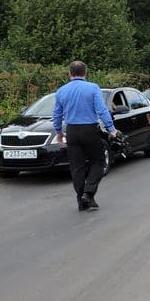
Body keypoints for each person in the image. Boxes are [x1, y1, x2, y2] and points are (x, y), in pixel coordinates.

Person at [53, 60, 118, 211]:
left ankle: (81, 200)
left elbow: (56, 114)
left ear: (69, 73)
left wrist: (58, 132)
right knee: (98, 161)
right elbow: (101, 110)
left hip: (72, 131)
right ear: (85, 73)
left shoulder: (61, 91)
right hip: (89, 130)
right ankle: (88, 193)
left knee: (77, 167)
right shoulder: (93, 88)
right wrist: (111, 128)